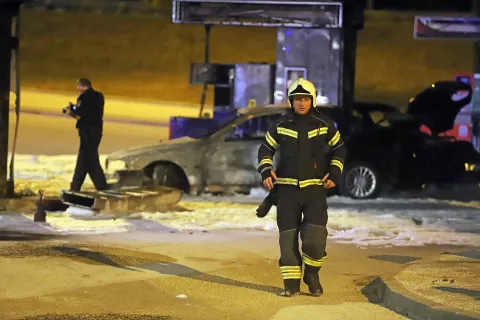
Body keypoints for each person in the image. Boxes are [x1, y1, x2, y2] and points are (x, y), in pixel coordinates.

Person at [256, 78, 345, 297]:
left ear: (312, 100)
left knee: (315, 241)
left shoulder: (324, 124)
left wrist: (334, 173)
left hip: (315, 191)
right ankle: (291, 285)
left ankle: (312, 274)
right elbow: (265, 148)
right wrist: (266, 171)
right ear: (291, 101)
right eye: (297, 99)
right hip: (286, 192)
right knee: (287, 242)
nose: (301, 103)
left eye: (305, 99)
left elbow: (340, 149)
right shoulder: (281, 125)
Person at [63, 78, 108, 192]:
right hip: (97, 131)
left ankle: (101, 187)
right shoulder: (99, 96)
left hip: (87, 132)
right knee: (86, 160)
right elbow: (91, 111)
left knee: (88, 161)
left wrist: (71, 112)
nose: (78, 89)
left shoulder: (83, 97)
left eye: (78, 86)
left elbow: (81, 114)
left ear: (82, 86)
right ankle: (76, 187)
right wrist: (75, 108)